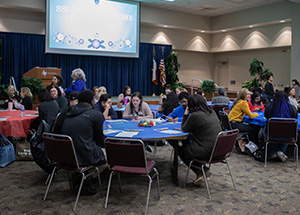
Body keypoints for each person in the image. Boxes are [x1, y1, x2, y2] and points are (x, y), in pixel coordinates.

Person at [53, 90, 106, 195]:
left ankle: (80, 176)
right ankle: (86, 178)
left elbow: (55, 133)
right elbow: (100, 141)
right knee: (110, 154)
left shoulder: (65, 112)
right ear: (92, 102)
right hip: (83, 156)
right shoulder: (96, 115)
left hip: (63, 155)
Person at [180, 94, 221, 186]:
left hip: (206, 151)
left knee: (181, 149)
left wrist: (186, 113)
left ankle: (201, 170)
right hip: (219, 150)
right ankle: (201, 171)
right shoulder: (212, 112)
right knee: (187, 145)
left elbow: (184, 128)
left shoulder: (195, 116)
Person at [264, 91, 298, 161]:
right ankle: (280, 152)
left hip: (272, 135)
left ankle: (274, 151)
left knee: (264, 130)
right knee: (286, 130)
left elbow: (266, 116)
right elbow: (295, 117)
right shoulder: (292, 109)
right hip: (288, 136)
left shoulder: (269, 107)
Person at [228, 88, 260, 152]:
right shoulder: (243, 103)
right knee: (256, 128)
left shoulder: (239, 101)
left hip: (231, 123)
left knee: (251, 126)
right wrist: (257, 114)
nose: (249, 96)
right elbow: (251, 116)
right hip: (235, 124)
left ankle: (244, 141)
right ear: (243, 95)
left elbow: (245, 111)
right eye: (247, 94)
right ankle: (244, 142)